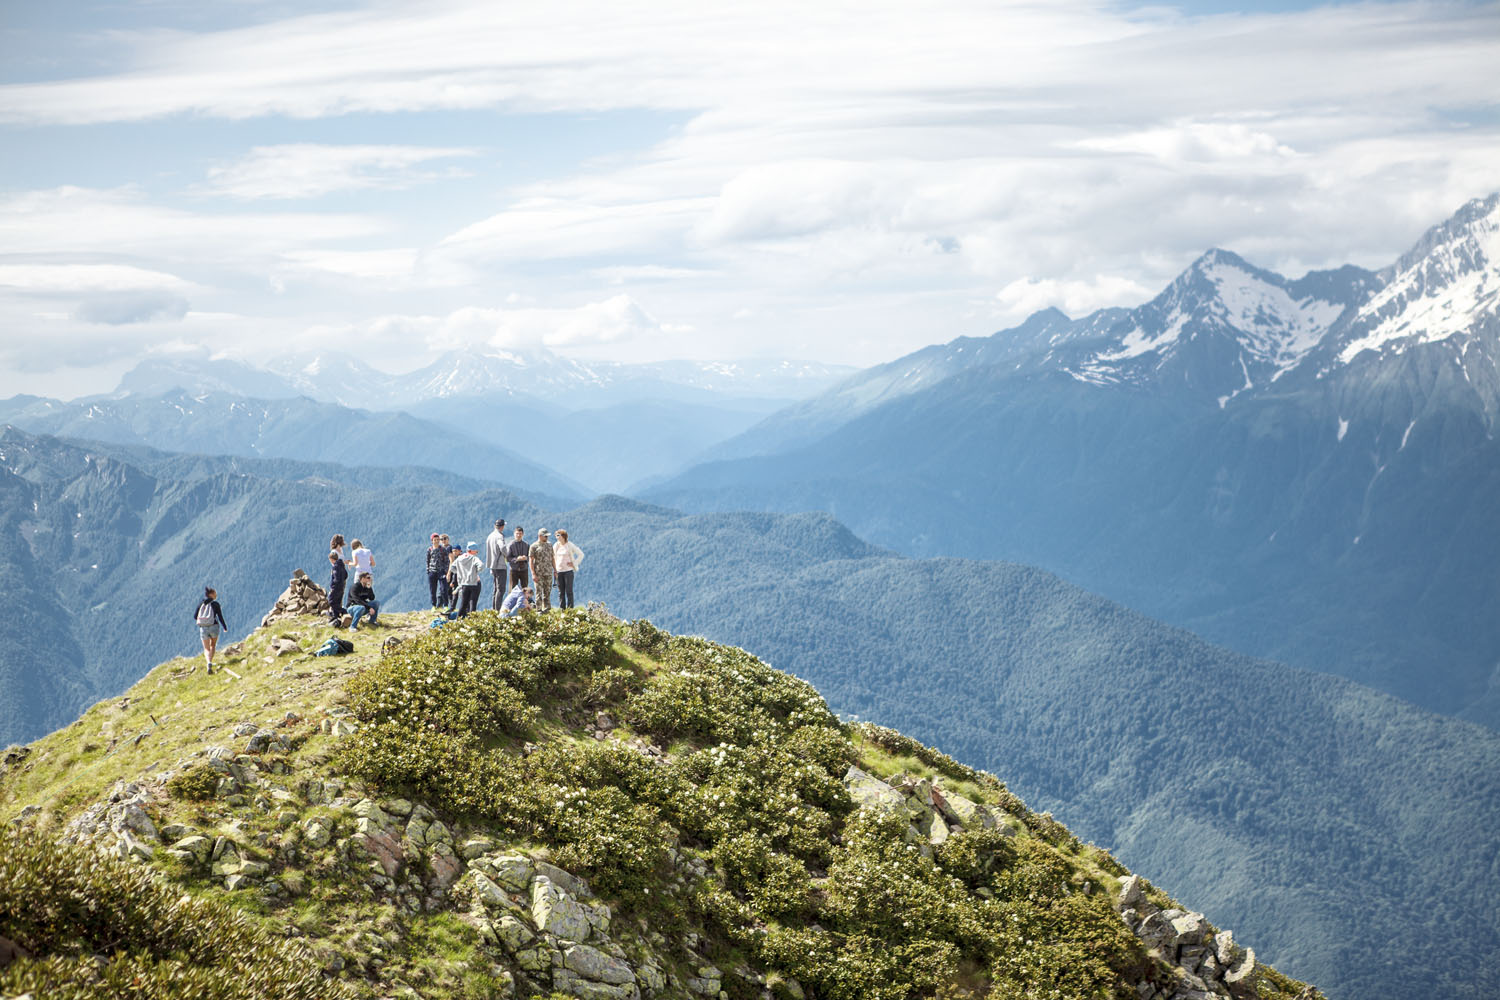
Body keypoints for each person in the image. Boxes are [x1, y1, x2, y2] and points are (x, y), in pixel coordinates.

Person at [193, 587, 227, 673]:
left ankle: (208, 662)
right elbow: (220, 616)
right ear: (211, 594)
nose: (216, 595)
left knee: (206, 648)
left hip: (203, 628)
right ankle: (210, 663)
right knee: (213, 645)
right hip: (214, 627)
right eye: (215, 593)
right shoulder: (215, 604)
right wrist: (224, 627)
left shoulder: (201, 604)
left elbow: (195, 616)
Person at [451, 541, 485, 617]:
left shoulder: (460, 558)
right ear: (472, 551)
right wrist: (476, 571)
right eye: (476, 551)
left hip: (464, 584)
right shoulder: (474, 558)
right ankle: (472, 621)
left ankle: (458, 620)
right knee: (473, 603)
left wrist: (460, 572)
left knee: (463, 604)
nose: (477, 552)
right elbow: (481, 566)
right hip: (474, 583)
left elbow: (452, 568)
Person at [553, 528, 584, 610]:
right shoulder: (556, 545)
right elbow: (552, 557)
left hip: (568, 571)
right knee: (560, 592)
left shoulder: (569, 545)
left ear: (563, 536)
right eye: (556, 535)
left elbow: (581, 554)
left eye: (558, 535)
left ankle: (570, 609)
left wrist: (574, 564)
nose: (556, 537)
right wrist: (554, 569)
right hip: (559, 571)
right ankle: (562, 609)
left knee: (569, 591)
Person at [529, 529, 556, 611]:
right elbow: (531, 561)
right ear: (540, 536)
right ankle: (539, 609)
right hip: (538, 573)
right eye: (545, 536)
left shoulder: (550, 545)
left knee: (547, 592)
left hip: (548, 572)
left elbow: (552, 558)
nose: (547, 537)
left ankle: (547, 609)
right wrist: (533, 573)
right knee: (538, 592)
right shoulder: (534, 546)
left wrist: (555, 570)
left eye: (547, 536)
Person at [485, 518, 508, 610]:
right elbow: (502, 547)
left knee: (495, 588)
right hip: (500, 565)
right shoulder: (499, 536)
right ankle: (498, 609)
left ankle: (494, 609)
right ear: (502, 526)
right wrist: (507, 555)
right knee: (501, 589)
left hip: (492, 565)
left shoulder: (490, 536)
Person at [426, 532, 449, 609]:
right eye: (434, 540)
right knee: (433, 590)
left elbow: (447, 561)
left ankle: (445, 605)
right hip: (432, 572)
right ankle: (433, 605)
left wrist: (446, 571)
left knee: (443, 589)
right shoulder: (429, 550)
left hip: (441, 571)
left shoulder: (443, 550)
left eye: (437, 539)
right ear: (432, 541)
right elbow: (427, 560)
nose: (436, 541)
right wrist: (428, 571)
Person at [505, 526, 530, 591]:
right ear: (514, 534)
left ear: (523, 534)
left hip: (524, 569)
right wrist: (516, 559)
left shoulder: (526, 545)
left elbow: (530, 557)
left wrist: (526, 558)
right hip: (514, 570)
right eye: (517, 533)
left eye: (520, 534)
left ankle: (525, 601)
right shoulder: (510, 545)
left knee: (525, 589)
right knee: (513, 589)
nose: (518, 535)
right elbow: (507, 558)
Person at [327, 549, 348, 622]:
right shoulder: (341, 565)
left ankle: (343, 611)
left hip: (336, 588)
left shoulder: (335, 567)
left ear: (332, 559)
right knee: (337, 602)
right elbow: (346, 575)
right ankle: (335, 616)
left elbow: (336, 578)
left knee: (331, 601)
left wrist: (333, 586)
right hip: (341, 587)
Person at [436, 534, 455, 609]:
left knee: (443, 589)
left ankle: (440, 606)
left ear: (448, 539)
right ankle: (449, 606)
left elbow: (452, 561)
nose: (443, 540)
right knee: (445, 589)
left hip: (447, 572)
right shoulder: (440, 549)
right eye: (441, 539)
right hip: (442, 571)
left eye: (445, 539)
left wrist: (449, 573)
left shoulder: (449, 548)